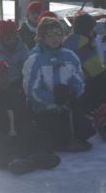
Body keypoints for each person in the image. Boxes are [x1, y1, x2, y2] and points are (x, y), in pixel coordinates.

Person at [0, 59, 60, 175]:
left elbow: (26, 118)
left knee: (41, 135)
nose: (5, 78)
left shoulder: (13, 93)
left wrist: (23, 135)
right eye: (0, 76)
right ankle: (13, 161)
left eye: (6, 75)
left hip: (16, 137)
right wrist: (6, 139)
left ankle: (39, 156)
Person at [22, 16, 95, 152]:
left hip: (67, 106)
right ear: (41, 37)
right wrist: (54, 98)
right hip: (44, 109)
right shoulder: (35, 59)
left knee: (86, 129)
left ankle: (69, 137)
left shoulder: (70, 56)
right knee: (56, 135)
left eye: (58, 34)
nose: (55, 38)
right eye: (50, 35)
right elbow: (32, 91)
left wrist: (73, 92)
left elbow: (79, 79)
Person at [63, 12, 106, 115]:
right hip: (78, 85)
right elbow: (96, 70)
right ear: (89, 29)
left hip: (66, 81)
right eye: (93, 29)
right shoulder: (84, 43)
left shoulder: (69, 40)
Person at [0, 19, 29, 85]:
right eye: (8, 38)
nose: (12, 41)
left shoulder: (22, 47)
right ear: (1, 37)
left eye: (14, 37)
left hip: (18, 83)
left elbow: (28, 67)